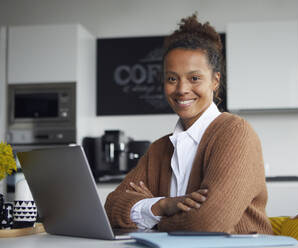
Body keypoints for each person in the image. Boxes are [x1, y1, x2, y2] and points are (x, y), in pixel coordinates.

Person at [104, 14, 273, 234]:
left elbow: (209, 224)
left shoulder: (235, 133)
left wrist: (152, 219)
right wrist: (163, 205)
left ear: (215, 81)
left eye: (194, 78)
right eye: (172, 78)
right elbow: (110, 209)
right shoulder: (159, 148)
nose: (182, 89)